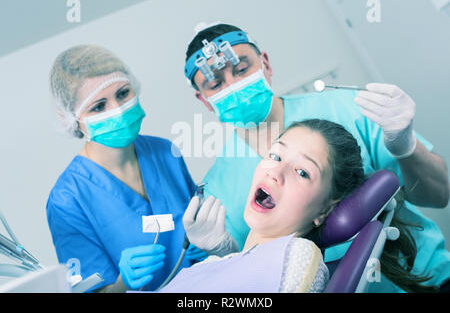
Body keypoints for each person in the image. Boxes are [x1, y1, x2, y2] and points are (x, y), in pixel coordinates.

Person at [182, 23, 450, 292]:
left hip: (427, 281)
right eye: (216, 83)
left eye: (241, 69)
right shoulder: (218, 188)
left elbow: (439, 195)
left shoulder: (346, 108)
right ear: (204, 100)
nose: (234, 85)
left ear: (266, 63)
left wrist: (407, 148)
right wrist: (224, 255)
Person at [164, 119, 437, 292]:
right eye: (275, 154)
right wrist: (226, 257)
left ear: (324, 210)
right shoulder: (227, 263)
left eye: (303, 172)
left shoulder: (295, 259)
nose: (275, 171)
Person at [46, 45, 204, 292]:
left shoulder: (165, 153)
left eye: (122, 93)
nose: (118, 109)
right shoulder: (67, 199)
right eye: (98, 106)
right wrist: (122, 283)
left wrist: (209, 243)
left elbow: (200, 223)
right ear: (73, 119)